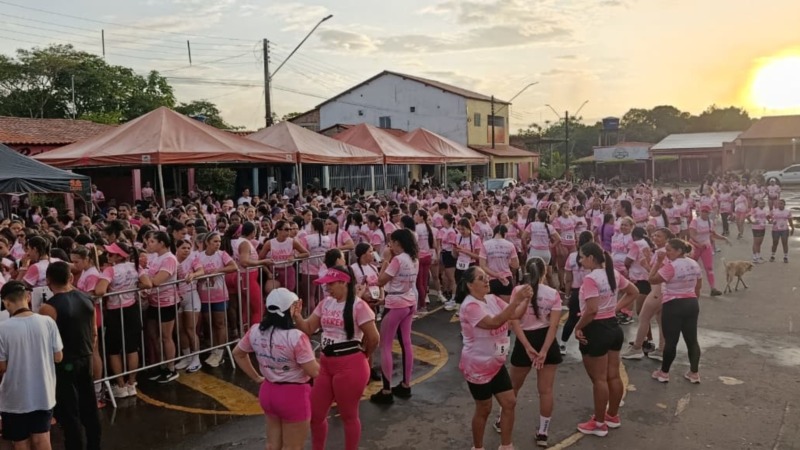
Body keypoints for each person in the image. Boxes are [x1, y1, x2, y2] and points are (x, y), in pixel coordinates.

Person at [293, 265, 380, 450]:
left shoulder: (359, 306)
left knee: (348, 415)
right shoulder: (325, 303)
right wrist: (298, 317)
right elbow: (309, 328)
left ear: (344, 282)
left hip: (350, 365)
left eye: (331, 284)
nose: (327, 288)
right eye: (326, 285)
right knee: (316, 415)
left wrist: (364, 355)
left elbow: (373, 338)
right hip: (326, 364)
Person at [233, 289, 320, 450]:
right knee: (292, 447)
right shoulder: (296, 337)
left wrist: (257, 377)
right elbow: (314, 371)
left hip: (268, 391)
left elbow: (238, 353)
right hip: (294, 395)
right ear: (291, 308)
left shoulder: (255, 330)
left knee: (272, 446)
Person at [457, 266, 532, 450]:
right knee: (484, 408)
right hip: (478, 366)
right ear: (470, 285)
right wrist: (517, 300)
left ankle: (506, 446)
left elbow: (515, 314)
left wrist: (527, 298)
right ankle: (478, 447)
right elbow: (493, 323)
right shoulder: (470, 306)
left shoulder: (492, 299)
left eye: (486, 277)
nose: (486, 280)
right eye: (481, 278)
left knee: (509, 402)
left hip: (496, 363)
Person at [573, 242, 638, 437]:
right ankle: (612, 416)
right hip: (613, 327)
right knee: (613, 376)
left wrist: (578, 327)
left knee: (599, 379)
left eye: (582, 257)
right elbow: (633, 292)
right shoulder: (613, 273)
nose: (580, 260)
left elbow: (592, 310)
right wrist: (614, 309)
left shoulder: (591, 279)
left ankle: (599, 423)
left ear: (591, 258)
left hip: (596, 329)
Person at [38, 261, 102, 450]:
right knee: (89, 408)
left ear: (48, 281)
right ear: (71, 277)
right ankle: (94, 445)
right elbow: (94, 332)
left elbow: (46, 342)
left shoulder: (48, 308)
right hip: (85, 357)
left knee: (69, 413)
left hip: (64, 362)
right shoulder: (87, 298)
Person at [504, 257, 563, 448]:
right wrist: (544, 350)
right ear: (544, 272)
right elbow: (554, 325)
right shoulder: (553, 294)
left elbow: (514, 321)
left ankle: (501, 419)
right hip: (546, 340)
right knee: (546, 390)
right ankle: (543, 432)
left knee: (513, 387)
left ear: (526, 271)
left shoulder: (518, 291)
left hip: (525, 340)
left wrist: (527, 346)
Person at [0, 280, 63, 450]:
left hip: (15, 398)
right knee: (42, 439)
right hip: (43, 393)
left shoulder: (2, 329)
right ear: (27, 297)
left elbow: (2, 367)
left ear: (6, 303)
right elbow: (58, 357)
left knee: (20, 442)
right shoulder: (48, 322)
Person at [95, 241, 150, 397]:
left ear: (119, 256)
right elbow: (147, 283)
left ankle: (120, 386)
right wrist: (133, 288)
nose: (108, 255)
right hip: (132, 309)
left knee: (114, 350)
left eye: (111, 253)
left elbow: (99, 291)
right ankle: (131, 383)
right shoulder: (135, 267)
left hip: (115, 312)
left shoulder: (110, 270)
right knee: (132, 348)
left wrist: (112, 289)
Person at [371, 229, 419, 404]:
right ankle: (406, 384)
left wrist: (385, 260)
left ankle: (386, 390)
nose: (389, 245)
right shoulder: (413, 258)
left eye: (391, 242)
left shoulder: (397, 260)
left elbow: (381, 280)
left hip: (395, 303)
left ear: (397, 243)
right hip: (409, 300)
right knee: (406, 342)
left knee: (386, 346)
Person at [648, 239, 704, 384]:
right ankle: (694, 373)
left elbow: (652, 279)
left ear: (679, 251)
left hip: (673, 304)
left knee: (671, 341)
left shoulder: (671, 266)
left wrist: (658, 262)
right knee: (692, 340)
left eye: (669, 250)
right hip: (691, 303)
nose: (666, 253)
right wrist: (694, 301)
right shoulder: (694, 263)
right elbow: (698, 286)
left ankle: (664, 373)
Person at [688, 205, 727, 296]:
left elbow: (712, 234)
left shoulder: (710, 222)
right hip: (695, 246)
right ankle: (689, 287)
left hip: (706, 246)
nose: (705, 213)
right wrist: (698, 244)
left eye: (706, 212)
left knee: (709, 268)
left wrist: (723, 238)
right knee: (691, 267)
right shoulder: (695, 221)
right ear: (700, 212)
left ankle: (713, 288)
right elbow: (692, 235)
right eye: (703, 211)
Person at [480, 225, 519, 302]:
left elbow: (482, 265)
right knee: (506, 307)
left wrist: (496, 275)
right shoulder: (510, 245)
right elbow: (516, 265)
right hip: (506, 278)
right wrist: (507, 261)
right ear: (505, 233)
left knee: (491, 306)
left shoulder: (485, 244)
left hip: (490, 279)